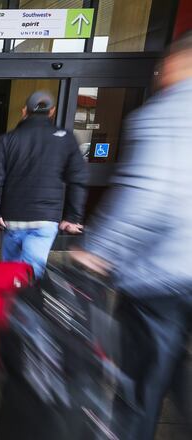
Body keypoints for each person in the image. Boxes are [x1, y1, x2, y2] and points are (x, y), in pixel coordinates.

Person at [71, 32, 192, 440]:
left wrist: (96, 251)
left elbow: (146, 192)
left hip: (160, 277)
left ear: (178, 62)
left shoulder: (166, 113)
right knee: (175, 369)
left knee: (139, 386)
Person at [0, 91, 88, 278]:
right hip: (46, 219)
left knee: (9, 274)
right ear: (52, 111)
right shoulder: (66, 139)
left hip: (12, 218)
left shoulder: (8, 139)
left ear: (25, 110)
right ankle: (25, 294)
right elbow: (78, 179)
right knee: (30, 276)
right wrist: (72, 217)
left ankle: (11, 295)